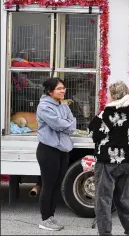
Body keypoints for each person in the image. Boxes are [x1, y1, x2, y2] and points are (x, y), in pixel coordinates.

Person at [88, 81, 129, 236]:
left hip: (108, 162)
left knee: (103, 199)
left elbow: (92, 133)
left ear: (114, 95)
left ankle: (105, 233)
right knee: (125, 198)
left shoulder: (108, 113)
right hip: (128, 161)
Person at [36, 77, 76, 231]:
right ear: (49, 91)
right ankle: (45, 219)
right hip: (48, 150)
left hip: (63, 150)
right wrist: (66, 124)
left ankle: (51, 217)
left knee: (56, 185)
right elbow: (58, 124)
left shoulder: (64, 106)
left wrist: (66, 124)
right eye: (59, 88)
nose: (63, 91)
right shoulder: (44, 106)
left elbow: (72, 122)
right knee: (48, 185)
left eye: (63, 88)